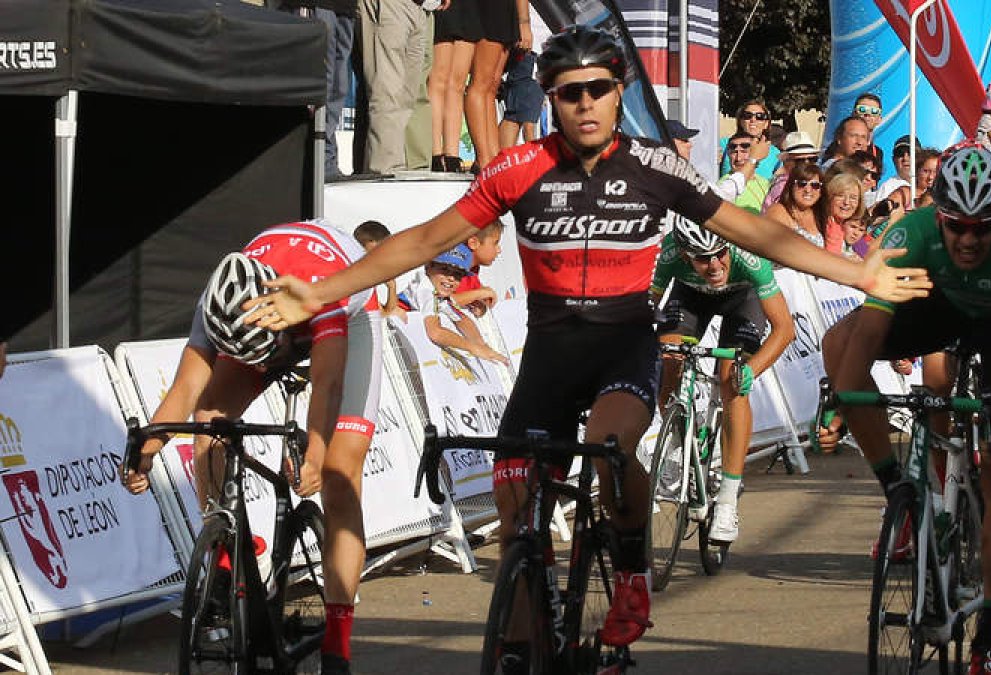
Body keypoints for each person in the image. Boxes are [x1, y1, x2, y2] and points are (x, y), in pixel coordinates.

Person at [241, 25, 930, 658]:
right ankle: (522, 641)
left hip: (624, 344)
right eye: (569, 93)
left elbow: (757, 233)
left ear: (619, 91)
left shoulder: (659, 166)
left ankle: (630, 569)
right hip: (549, 353)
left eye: (599, 88)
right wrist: (323, 291)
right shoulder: (515, 168)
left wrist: (857, 269)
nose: (585, 104)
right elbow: (424, 241)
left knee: (609, 449)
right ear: (550, 99)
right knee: (515, 499)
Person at [820, 143, 991, 675]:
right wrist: (842, 400)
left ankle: (987, 637)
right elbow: (870, 332)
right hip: (940, 309)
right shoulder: (910, 232)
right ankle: (898, 489)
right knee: (840, 343)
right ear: (938, 215)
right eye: (956, 226)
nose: (968, 239)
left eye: (982, 228)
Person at [122, 220, 384, 675]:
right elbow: (187, 389)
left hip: (344, 316)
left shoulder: (322, 293)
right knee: (211, 420)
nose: (263, 365)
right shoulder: (215, 302)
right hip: (267, 329)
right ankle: (226, 549)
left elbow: (327, 384)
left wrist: (317, 456)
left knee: (341, 476)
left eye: (263, 353)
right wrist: (149, 446)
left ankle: (338, 645)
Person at [650, 223, 795, 543]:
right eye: (703, 259)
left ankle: (727, 501)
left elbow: (785, 329)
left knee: (732, 382)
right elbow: (647, 305)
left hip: (742, 301)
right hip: (690, 298)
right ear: (686, 256)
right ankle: (679, 438)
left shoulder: (748, 257)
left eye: (719, 255)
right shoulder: (670, 252)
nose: (714, 265)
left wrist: (752, 370)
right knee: (669, 361)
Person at [358, 0, 444, 175]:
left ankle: (400, 170)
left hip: (420, 8)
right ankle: (385, 172)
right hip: (391, 5)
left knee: (407, 99)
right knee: (387, 92)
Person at [281, 0, 355, 178]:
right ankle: (314, 161)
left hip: (345, 8)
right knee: (319, 82)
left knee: (340, 85)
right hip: (314, 5)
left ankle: (326, 157)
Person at [407, 243, 508, 362]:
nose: (451, 278)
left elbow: (461, 319)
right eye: (445, 269)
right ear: (428, 266)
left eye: (458, 274)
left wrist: (483, 346)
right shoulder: (426, 289)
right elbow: (435, 332)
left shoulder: (437, 291)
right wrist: (473, 348)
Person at [466, 0, 531, 169]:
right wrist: (524, 22)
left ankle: (494, 155)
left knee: (492, 85)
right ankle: (483, 157)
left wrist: (524, 21)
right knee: (481, 82)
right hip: (486, 9)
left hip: (505, 10)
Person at [428, 0, 479, 173]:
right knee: (438, 80)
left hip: (470, 9)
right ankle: (435, 154)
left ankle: (452, 155)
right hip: (445, 7)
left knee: (457, 85)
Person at [354, 220, 410, 320]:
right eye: (374, 254)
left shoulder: (367, 280)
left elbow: (388, 315)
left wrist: (392, 287)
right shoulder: (355, 281)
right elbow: (384, 316)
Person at [764, 162, 825, 247]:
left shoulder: (821, 215)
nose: (808, 190)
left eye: (815, 185)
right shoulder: (778, 211)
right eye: (802, 184)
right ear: (791, 186)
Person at [718, 100, 781, 180]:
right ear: (740, 121)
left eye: (759, 117)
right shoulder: (724, 144)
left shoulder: (775, 153)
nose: (753, 120)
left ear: (766, 124)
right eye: (747, 115)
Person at [453, 220, 504, 317]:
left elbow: (472, 293)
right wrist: (480, 293)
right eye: (495, 243)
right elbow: (447, 300)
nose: (499, 250)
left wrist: (482, 301)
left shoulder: (473, 269)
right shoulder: (450, 269)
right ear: (473, 243)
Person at [498, 48, 544, 149]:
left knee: (514, 117)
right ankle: (533, 161)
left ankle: (502, 159)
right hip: (529, 56)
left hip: (537, 59)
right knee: (523, 121)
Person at [762, 130, 820, 209]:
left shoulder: (816, 183)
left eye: (812, 159)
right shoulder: (783, 187)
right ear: (786, 161)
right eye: (800, 161)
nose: (807, 164)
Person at [720, 130, 772, 213]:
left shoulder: (764, 182)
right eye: (734, 152)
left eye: (744, 152)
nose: (738, 158)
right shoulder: (726, 184)